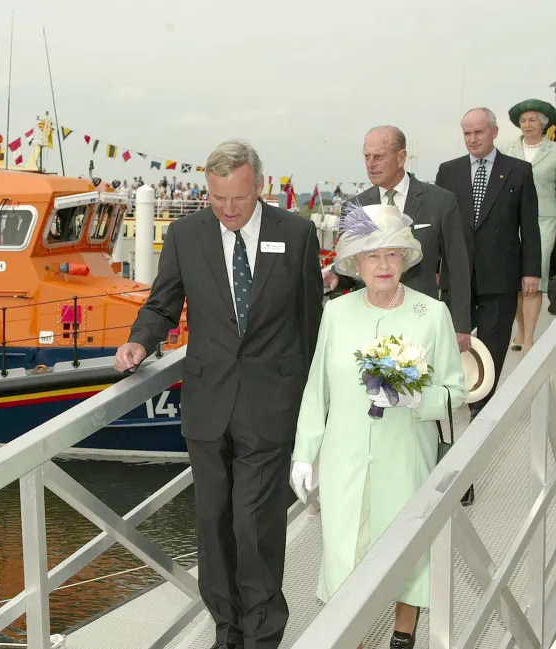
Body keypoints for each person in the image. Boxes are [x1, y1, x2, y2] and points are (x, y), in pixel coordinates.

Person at [114, 140, 323, 649]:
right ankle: (226, 630)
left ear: (260, 186)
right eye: (218, 199)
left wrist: (316, 405)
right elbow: (163, 304)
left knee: (254, 525)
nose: (229, 210)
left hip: (271, 401)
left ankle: (263, 633)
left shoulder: (295, 233)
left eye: (240, 199)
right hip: (208, 403)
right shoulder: (187, 235)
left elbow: (310, 321)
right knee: (212, 526)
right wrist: (140, 341)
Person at [291, 203, 468, 649]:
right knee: (342, 555)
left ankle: (402, 636)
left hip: (406, 453)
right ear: (356, 263)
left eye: (392, 254)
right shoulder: (336, 313)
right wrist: (303, 453)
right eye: (372, 255)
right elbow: (317, 391)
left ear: (406, 260)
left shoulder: (432, 314)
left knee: (406, 555)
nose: (383, 264)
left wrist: (417, 398)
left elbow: (456, 393)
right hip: (344, 456)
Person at [323, 126, 472, 352]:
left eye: (379, 157)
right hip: (368, 322)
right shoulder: (355, 207)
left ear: (401, 157)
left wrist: (460, 325)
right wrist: (334, 275)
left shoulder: (440, 202)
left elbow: (458, 267)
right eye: (367, 157)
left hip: (421, 320)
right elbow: (353, 267)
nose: (371, 164)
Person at [435, 107, 540, 421]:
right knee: (454, 339)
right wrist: (436, 266)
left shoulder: (518, 171)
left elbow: (529, 226)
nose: (472, 139)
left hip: (501, 276)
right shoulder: (447, 171)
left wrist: (531, 271)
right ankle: (455, 392)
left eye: (478, 132)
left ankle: (483, 402)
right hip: (457, 276)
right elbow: (439, 224)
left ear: (494, 132)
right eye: (466, 133)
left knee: (494, 343)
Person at [504, 99, 556, 353]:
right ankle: (521, 330)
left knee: (533, 277)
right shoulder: (508, 150)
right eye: (523, 120)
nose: (528, 124)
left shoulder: (554, 152)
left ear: (544, 123)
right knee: (514, 277)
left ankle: (529, 338)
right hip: (513, 221)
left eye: (533, 119)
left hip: (545, 220)